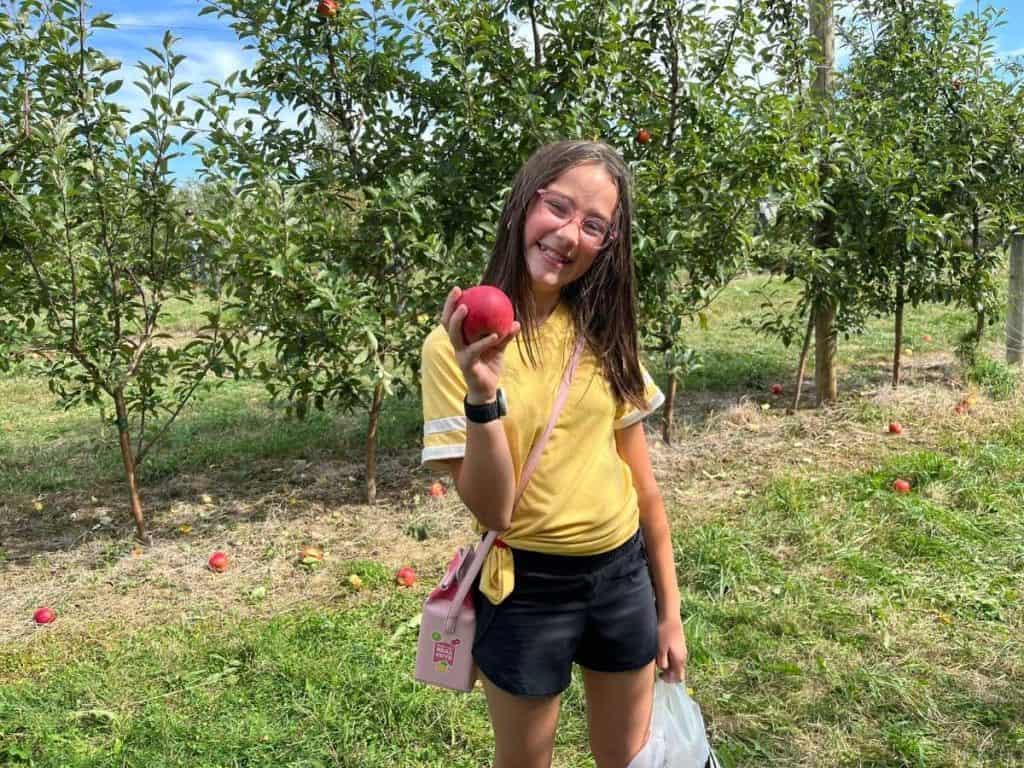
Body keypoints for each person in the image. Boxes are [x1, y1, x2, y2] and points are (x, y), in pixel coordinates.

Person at [420, 140, 687, 768]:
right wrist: (483, 394)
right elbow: (494, 508)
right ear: (523, 204)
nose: (569, 235)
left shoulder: (602, 332)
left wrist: (669, 613)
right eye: (558, 208)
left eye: (593, 225)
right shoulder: (454, 343)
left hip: (622, 579)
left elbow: (645, 489)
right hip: (526, 588)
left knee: (625, 757)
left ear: (607, 244)